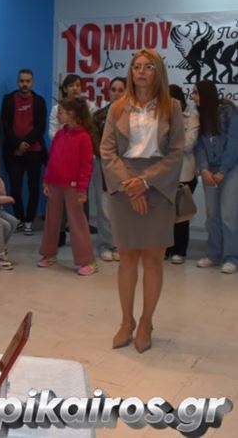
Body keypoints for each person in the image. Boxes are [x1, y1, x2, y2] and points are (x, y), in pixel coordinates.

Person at [101, 49, 184, 353]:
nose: (141, 71)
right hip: (124, 183)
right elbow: (107, 150)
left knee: (152, 258)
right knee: (127, 257)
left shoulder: (172, 107)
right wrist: (129, 184)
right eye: (137, 66)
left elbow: (176, 152)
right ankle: (127, 321)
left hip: (158, 185)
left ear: (158, 72)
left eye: (148, 67)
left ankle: (146, 322)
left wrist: (145, 182)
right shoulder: (117, 108)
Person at [38, 98, 97, 276]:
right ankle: (49, 254)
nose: (59, 114)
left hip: (73, 187)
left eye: (62, 112)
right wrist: (46, 180)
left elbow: (86, 166)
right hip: (55, 184)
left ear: (72, 114)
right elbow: (52, 160)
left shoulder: (84, 138)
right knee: (52, 221)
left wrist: (82, 189)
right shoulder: (59, 134)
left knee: (77, 223)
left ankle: (88, 260)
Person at [192, 80, 238, 273]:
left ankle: (231, 257)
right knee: (212, 215)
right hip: (209, 170)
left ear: (206, 94)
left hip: (231, 168)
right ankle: (213, 254)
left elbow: (234, 142)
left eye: (196, 93)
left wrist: (223, 170)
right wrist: (204, 169)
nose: (193, 97)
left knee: (228, 215)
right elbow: (199, 146)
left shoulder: (228, 112)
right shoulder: (199, 116)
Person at [1, 69, 48, 235]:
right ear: (17, 82)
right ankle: (19, 219)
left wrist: (26, 143)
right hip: (13, 151)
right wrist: (18, 144)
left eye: (28, 81)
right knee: (15, 187)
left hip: (35, 151)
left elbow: (41, 127)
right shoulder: (8, 100)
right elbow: (5, 125)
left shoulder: (39, 101)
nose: (24, 84)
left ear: (32, 82)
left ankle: (29, 220)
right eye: (21, 81)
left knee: (33, 188)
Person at [165, 84, 200, 265]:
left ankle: (179, 250)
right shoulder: (161, 116)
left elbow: (188, 145)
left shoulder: (192, 117)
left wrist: (169, 142)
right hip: (165, 172)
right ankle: (166, 248)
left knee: (181, 214)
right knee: (164, 213)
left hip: (185, 172)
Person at [92, 77, 126, 262]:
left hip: (126, 166)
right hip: (103, 165)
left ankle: (120, 245)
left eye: (121, 90)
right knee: (105, 208)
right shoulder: (98, 116)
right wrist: (109, 157)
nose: (117, 93)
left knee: (123, 209)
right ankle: (105, 244)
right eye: (114, 89)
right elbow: (95, 141)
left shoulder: (134, 115)